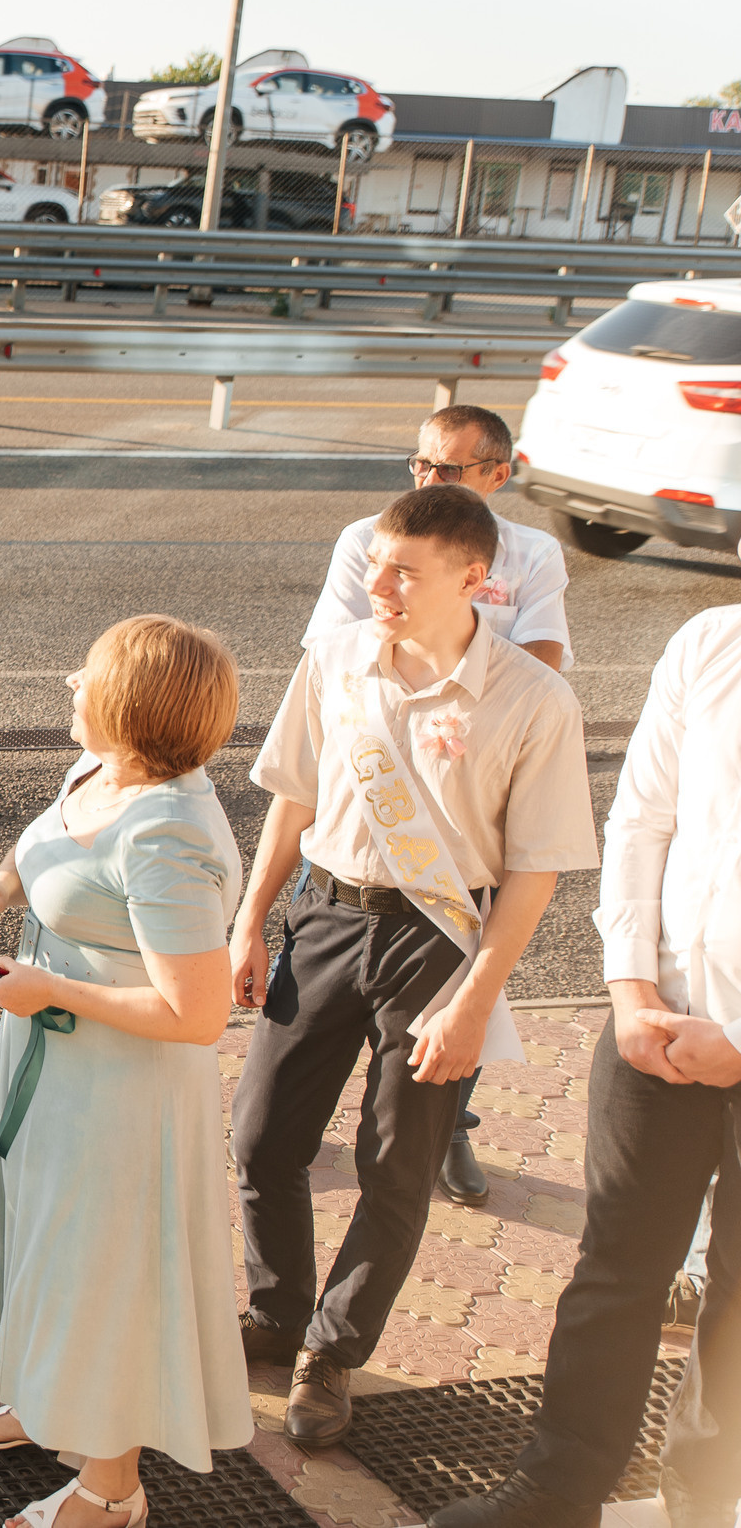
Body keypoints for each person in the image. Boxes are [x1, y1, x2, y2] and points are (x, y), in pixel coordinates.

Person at [229, 484, 597, 1449]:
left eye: (405, 570)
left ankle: (332, 1352)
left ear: (475, 579)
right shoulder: (338, 656)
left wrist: (476, 999)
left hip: (440, 941)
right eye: (376, 561)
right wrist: (249, 920)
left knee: (398, 1164)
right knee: (263, 1135)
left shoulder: (533, 698)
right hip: (326, 917)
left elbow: (535, 869)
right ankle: (275, 1315)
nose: (377, 581)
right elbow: (293, 797)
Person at [429, 607, 741, 1528]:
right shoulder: (710, 640)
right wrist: (631, 986)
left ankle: (705, 1499)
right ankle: (560, 1491)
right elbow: (643, 818)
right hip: (661, 1024)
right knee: (616, 1268)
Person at [0, 616, 254, 1528]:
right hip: (52, 1058)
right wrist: (4, 883)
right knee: (42, 1235)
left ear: (131, 705)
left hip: (121, 1091)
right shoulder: (99, 770)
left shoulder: (168, 833)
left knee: (101, 1269)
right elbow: (50, 839)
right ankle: (47, 1404)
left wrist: (50, 991)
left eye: (90, 673)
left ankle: (112, 1488)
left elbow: (198, 1015)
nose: (71, 680)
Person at [301, 403, 570, 1209]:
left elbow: (545, 659)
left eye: (448, 468)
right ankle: (303, 1106)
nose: (428, 479)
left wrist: (466, 683)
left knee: (464, 974)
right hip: (373, 775)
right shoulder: (369, 538)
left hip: (465, 796)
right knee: (321, 959)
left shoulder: (535, 552)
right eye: (419, 464)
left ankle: (446, 1123)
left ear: (499, 473)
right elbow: (337, 650)